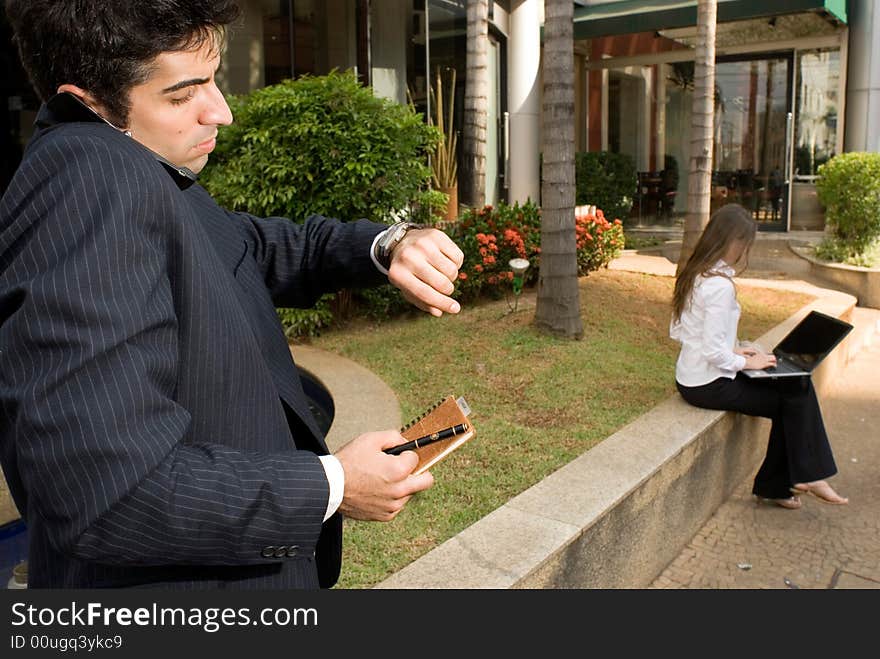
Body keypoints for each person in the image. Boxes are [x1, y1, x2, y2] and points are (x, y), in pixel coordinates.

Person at [0, 0, 465, 589]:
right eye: (181, 95)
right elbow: (108, 493)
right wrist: (335, 484)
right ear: (88, 100)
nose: (219, 112)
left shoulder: (138, 164)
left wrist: (387, 244)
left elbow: (252, 245)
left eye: (213, 80)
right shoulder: (89, 184)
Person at [670, 204, 848, 510]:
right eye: (745, 244)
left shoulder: (696, 272)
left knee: (796, 384)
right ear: (733, 242)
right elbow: (712, 352)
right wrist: (745, 362)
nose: (745, 251)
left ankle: (790, 481)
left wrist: (735, 348)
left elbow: (683, 331)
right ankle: (794, 480)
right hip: (709, 383)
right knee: (790, 400)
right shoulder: (718, 286)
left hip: (691, 376)